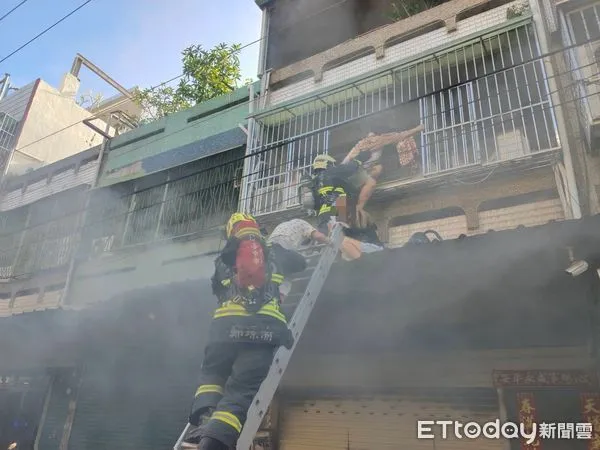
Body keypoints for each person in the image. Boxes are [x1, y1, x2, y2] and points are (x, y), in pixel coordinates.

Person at [183, 213, 304, 450]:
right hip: (263, 333)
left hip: (224, 331)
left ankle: (205, 419)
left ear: (231, 232)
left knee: (212, 378)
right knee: (239, 393)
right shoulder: (276, 253)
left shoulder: (223, 260)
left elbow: (217, 289)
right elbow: (301, 264)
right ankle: (213, 444)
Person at [341, 124, 425, 226]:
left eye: (371, 137)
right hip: (354, 174)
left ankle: (350, 213)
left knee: (377, 170)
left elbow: (401, 135)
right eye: (368, 138)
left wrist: (418, 128)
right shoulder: (367, 143)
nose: (370, 140)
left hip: (358, 174)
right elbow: (345, 161)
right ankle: (346, 216)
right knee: (363, 183)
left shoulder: (371, 142)